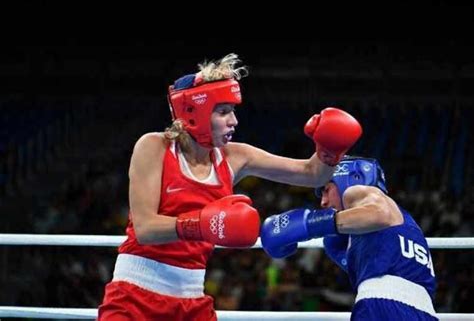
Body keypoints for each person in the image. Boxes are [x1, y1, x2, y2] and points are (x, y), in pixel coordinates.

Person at [98, 53, 362, 320]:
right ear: (195, 112)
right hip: (134, 294)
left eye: (233, 111)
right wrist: (203, 224)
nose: (234, 121)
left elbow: (311, 174)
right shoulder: (155, 147)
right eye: (223, 111)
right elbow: (145, 228)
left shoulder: (235, 156)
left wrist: (329, 150)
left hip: (192, 298)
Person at [260, 156, 438, 320]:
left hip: (381, 305)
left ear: (353, 178)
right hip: (423, 312)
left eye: (326, 190)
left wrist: (313, 224)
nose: (323, 202)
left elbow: (379, 214)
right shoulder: (406, 222)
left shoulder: (359, 192)